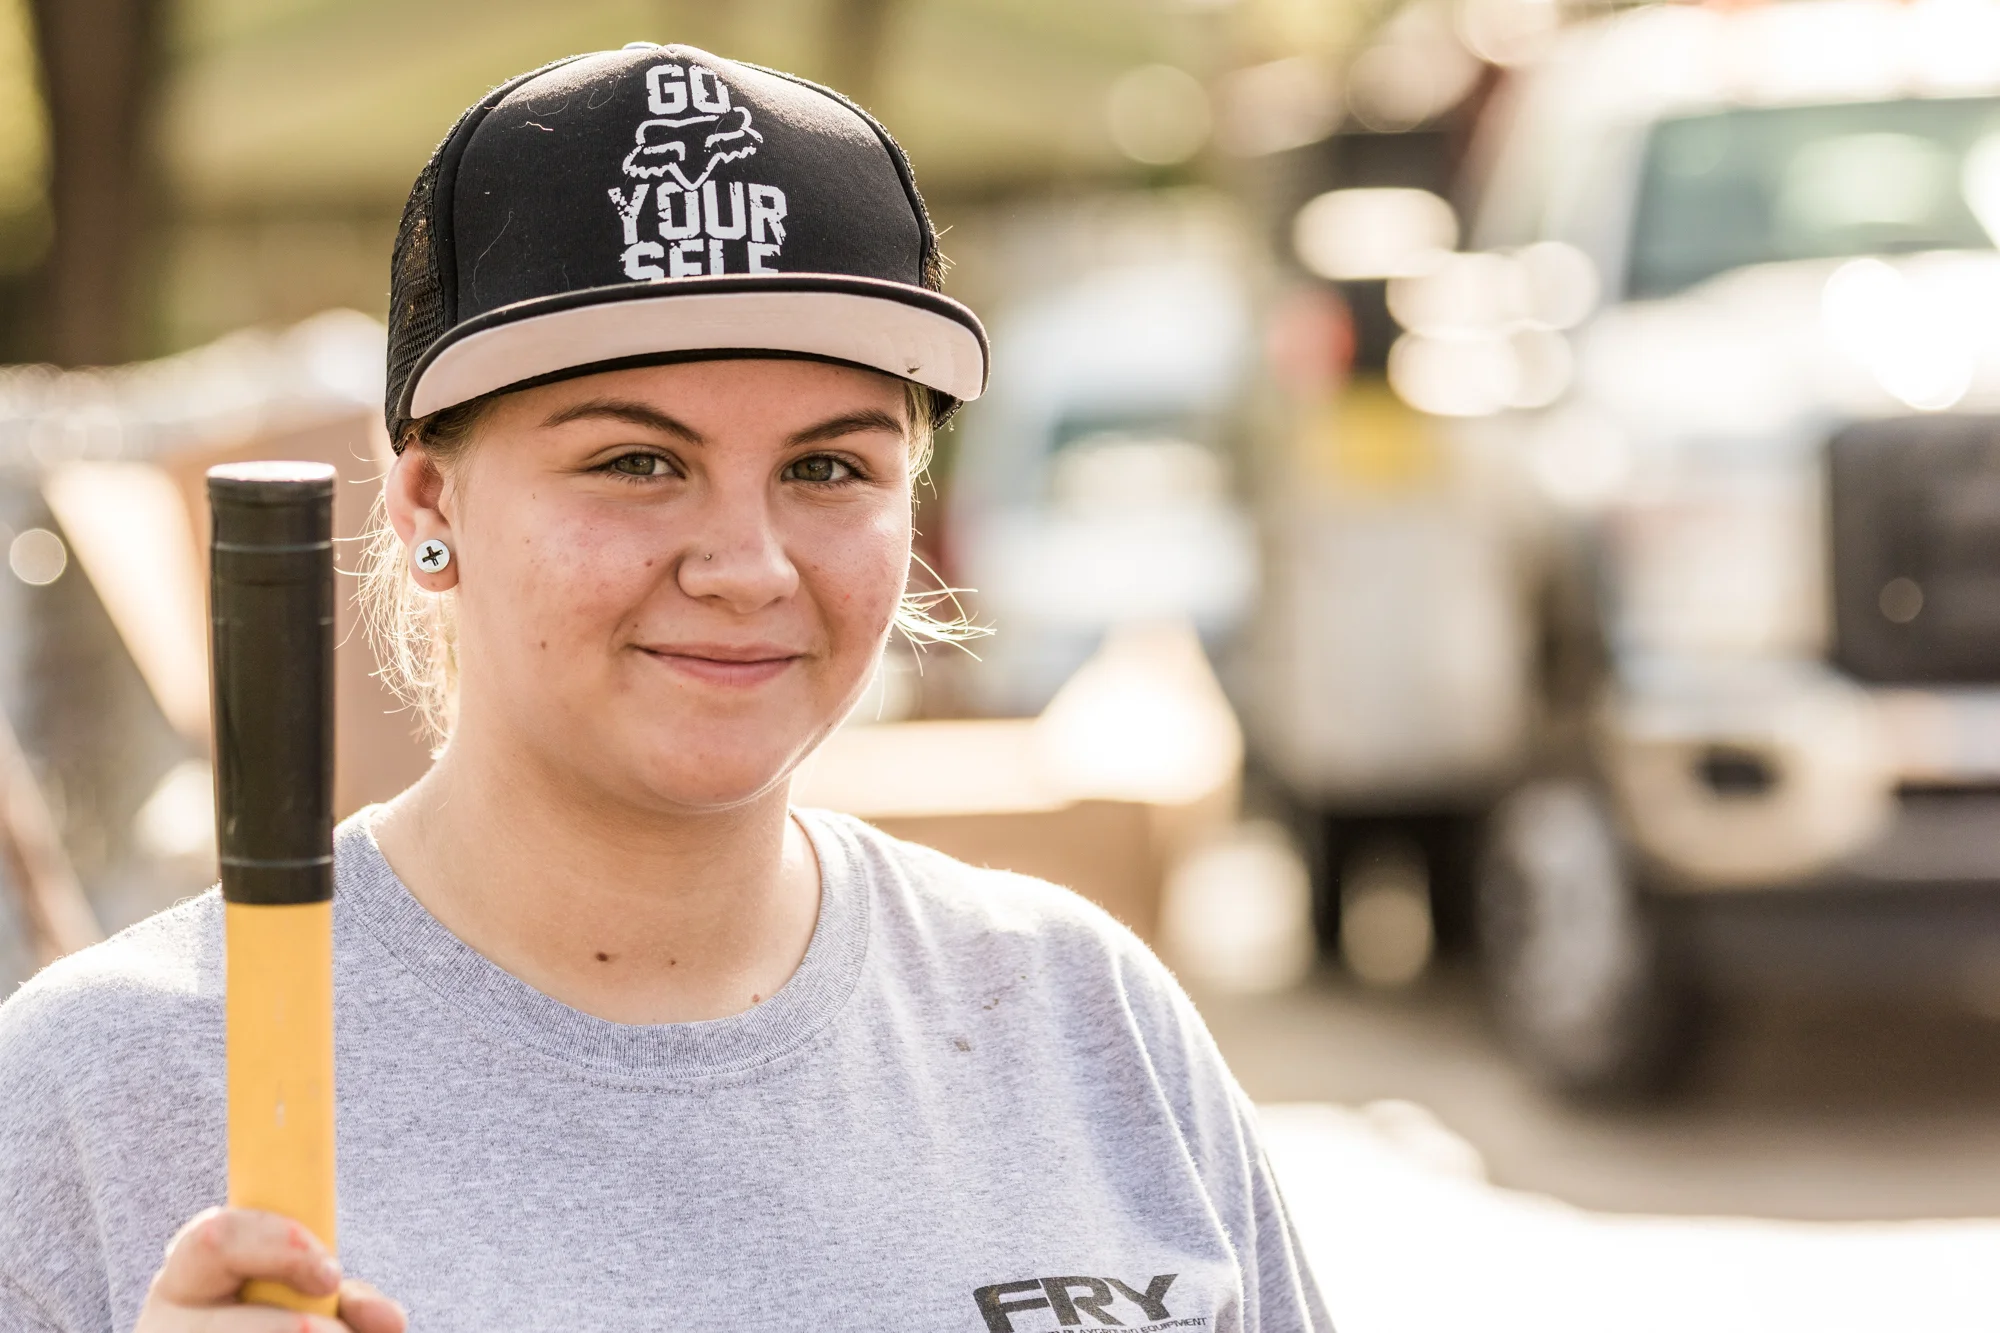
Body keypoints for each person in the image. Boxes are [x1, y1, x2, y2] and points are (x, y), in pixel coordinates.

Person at [0, 45, 1332, 1333]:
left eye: (828, 468)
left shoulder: (1083, 1021)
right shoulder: (111, 1087)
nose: (746, 567)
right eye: (636, 463)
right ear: (428, 502)